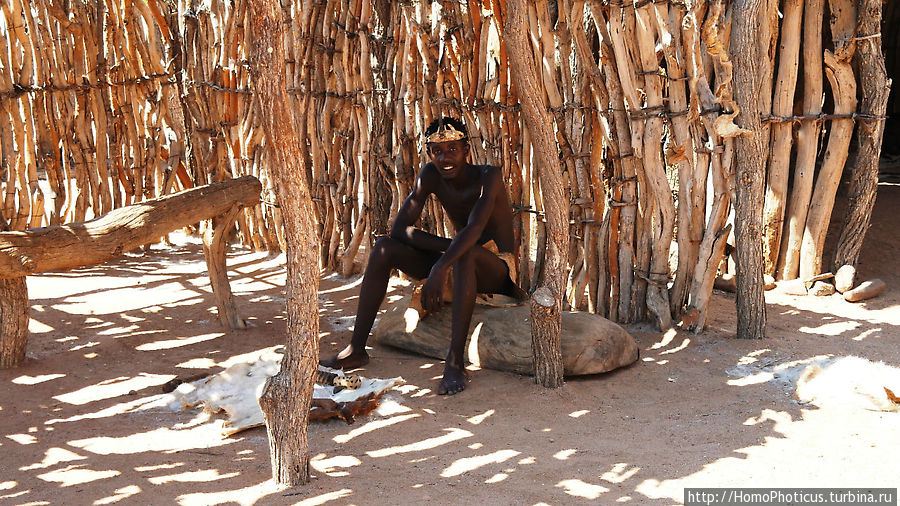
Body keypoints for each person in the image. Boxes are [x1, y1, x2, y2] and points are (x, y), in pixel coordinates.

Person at [320, 116, 526, 395]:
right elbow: (399, 229)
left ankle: (454, 363)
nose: (445, 158)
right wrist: (446, 252)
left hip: (497, 269)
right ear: (430, 154)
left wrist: (441, 268)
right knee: (383, 247)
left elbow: (475, 230)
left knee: (466, 253)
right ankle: (356, 348)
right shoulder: (430, 175)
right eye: (437, 152)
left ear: (467, 150)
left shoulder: (489, 177)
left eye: (453, 149)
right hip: (458, 254)